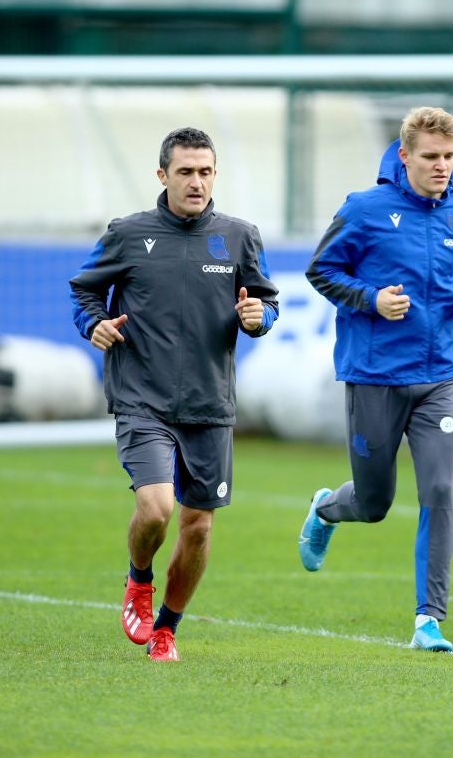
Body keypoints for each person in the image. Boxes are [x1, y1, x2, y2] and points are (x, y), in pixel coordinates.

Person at [69, 126, 279, 663]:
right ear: (162, 175)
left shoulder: (238, 236)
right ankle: (139, 579)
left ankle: (167, 628)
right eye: (185, 171)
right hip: (142, 396)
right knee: (157, 508)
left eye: (206, 171)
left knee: (200, 527)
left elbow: (264, 304)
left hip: (210, 404)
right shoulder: (128, 233)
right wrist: (94, 323)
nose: (197, 182)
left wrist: (259, 318)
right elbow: (85, 290)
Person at [298, 106, 453, 652]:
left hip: (439, 378)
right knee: (375, 503)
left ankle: (429, 619)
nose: (442, 166)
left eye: (450, 157)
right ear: (404, 156)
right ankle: (326, 508)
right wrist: (371, 299)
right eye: (431, 157)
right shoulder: (364, 210)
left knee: (441, 489)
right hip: (375, 376)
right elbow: (321, 270)